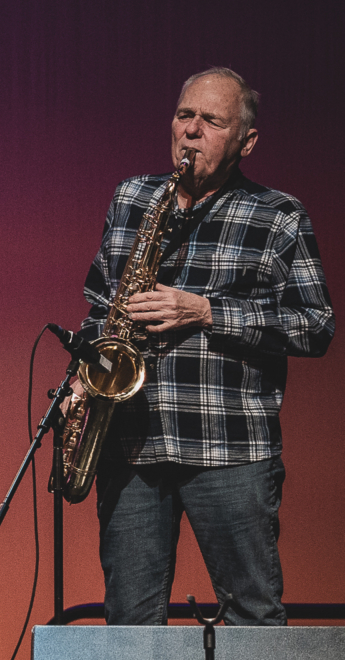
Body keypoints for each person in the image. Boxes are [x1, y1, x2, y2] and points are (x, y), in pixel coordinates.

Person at [77, 67, 332, 626]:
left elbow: (315, 326)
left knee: (252, 615)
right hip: (133, 442)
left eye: (210, 121)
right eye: (184, 115)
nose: (190, 131)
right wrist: (87, 368)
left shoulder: (278, 215)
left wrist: (208, 312)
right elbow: (100, 301)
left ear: (246, 141)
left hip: (229, 448)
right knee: (129, 622)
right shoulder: (132, 198)